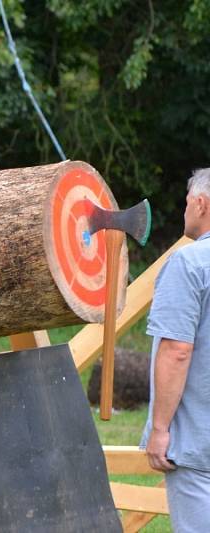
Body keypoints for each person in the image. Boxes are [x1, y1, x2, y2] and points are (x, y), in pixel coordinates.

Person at [141, 168, 210, 532]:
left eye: (186, 204)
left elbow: (177, 350)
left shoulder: (189, 263)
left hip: (199, 443)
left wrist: (161, 429)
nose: (185, 211)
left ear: (200, 204)